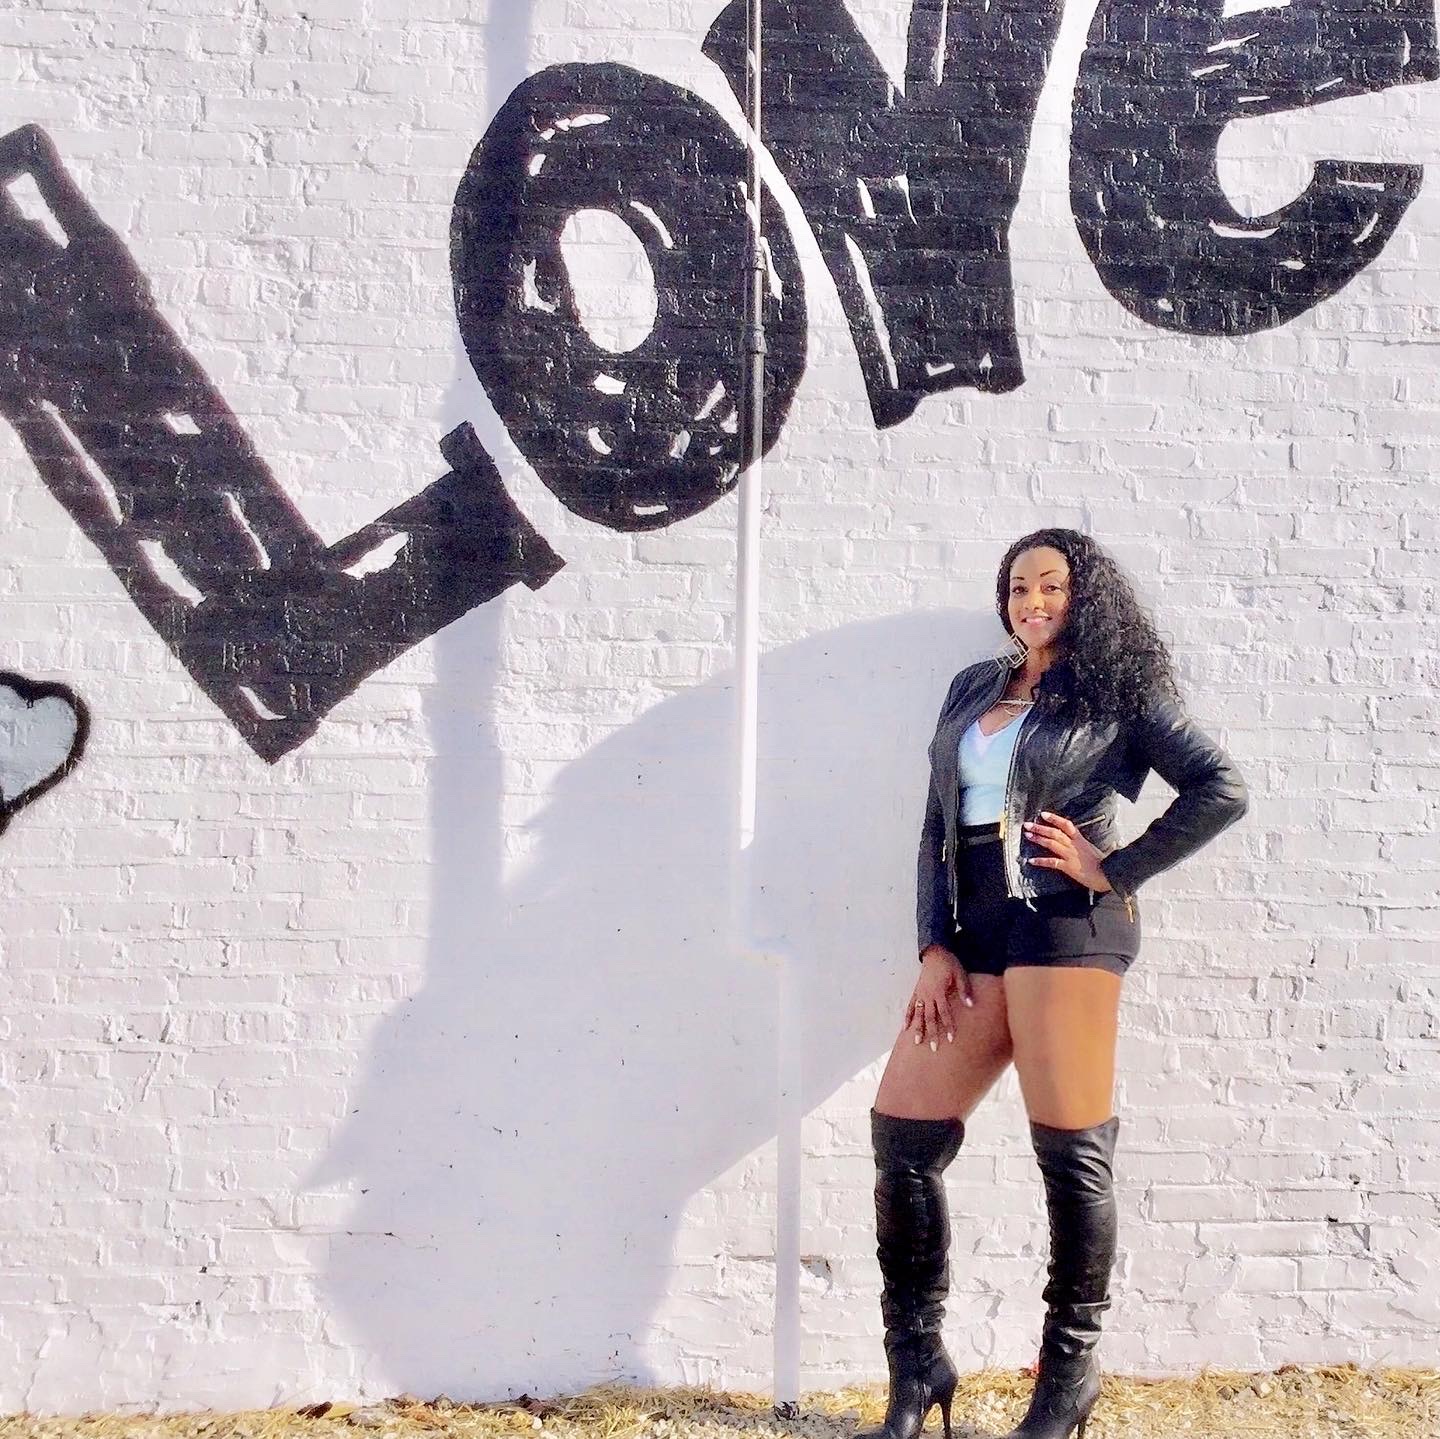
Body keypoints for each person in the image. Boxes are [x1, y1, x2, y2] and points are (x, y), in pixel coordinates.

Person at [857, 528, 1249, 1439]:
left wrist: (1115, 868)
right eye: (1018, 587)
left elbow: (1219, 787)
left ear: (1084, 596)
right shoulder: (974, 686)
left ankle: (1067, 1377)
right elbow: (935, 826)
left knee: (1069, 1154)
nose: (1032, 601)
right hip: (976, 933)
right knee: (902, 1138)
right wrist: (933, 944)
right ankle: (918, 1367)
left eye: (1051, 586)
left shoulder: (1116, 689)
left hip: (1068, 926)